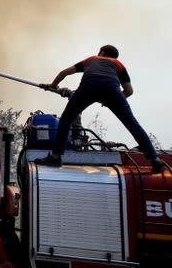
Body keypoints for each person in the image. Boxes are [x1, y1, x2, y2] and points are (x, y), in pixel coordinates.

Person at [36, 44, 164, 173]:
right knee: (132, 124)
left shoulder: (91, 59)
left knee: (66, 120)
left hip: (88, 88)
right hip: (112, 91)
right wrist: (111, 101)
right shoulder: (119, 65)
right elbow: (129, 91)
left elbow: (64, 73)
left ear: (101, 52)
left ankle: (55, 157)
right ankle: (155, 160)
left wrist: (53, 86)